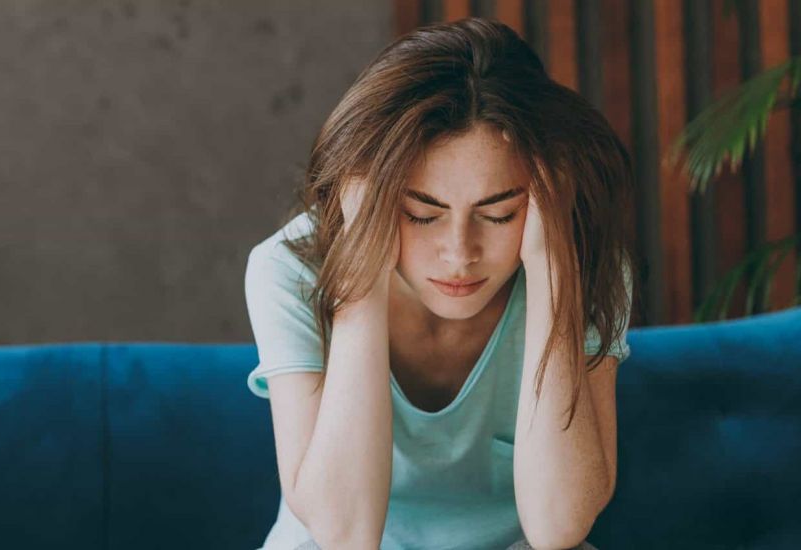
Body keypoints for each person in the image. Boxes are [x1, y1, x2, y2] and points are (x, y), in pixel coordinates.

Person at [243, 17, 638, 550]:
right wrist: (362, 270)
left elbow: (558, 527)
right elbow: (342, 533)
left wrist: (553, 267)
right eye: (420, 215)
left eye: (499, 215)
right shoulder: (288, 270)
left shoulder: (585, 267)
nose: (459, 255)